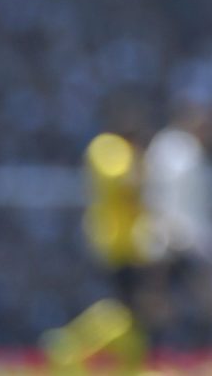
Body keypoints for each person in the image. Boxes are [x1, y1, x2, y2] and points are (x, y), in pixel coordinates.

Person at [42, 103, 155, 375]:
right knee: (122, 309)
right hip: (116, 240)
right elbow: (127, 185)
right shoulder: (108, 147)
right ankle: (69, 343)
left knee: (131, 311)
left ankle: (130, 364)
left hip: (125, 241)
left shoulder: (114, 149)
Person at [144, 102, 212, 350]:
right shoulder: (174, 149)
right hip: (173, 237)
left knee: (198, 299)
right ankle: (162, 351)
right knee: (164, 300)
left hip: (187, 237)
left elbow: (198, 204)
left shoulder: (187, 150)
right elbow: (167, 198)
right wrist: (169, 230)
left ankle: (194, 351)